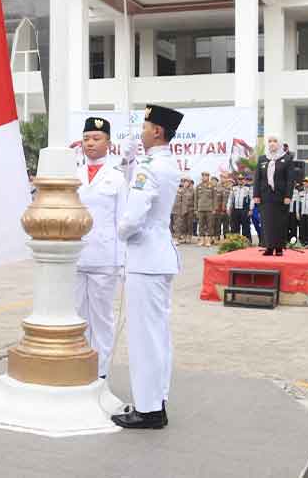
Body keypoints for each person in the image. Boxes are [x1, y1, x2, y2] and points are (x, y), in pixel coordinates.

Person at [111, 104, 184, 430]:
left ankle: (149, 409)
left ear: (157, 131)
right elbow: (135, 186)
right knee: (157, 336)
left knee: (145, 339)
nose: (141, 130)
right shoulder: (163, 163)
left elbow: (134, 213)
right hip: (159, 256)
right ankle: (156, 400)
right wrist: (128, 159)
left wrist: (120, 231)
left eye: (144, 125)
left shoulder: (151, 166)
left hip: (145, 257)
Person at [74, 116, 131, 378]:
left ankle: (101, 372)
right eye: (86, 138)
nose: (90, 143)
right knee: (77, 317)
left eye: (96, 138)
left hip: (105, 258)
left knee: (102, 319)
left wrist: (122, 261)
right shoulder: (72, 173)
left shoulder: (117, 176)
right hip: (75, 256)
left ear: (108, 143)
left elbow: (122, 220)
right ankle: (80, 366)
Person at [252, 134, 293, 256]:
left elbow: (290, 179)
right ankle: (269, 247)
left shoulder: (287, 159)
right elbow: (257, 179)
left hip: (281, 197)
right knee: (266, 221)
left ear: (279, 143)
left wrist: (288, 196)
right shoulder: (262, 159)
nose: (272, 143)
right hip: (265, 196)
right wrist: (256, 195)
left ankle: (279, 247)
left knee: (280, 222)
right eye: (270, 141)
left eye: (275, 141)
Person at [227, 173, 253, 243]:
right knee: (234, 226)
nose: (240, 181)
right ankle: (235, 242)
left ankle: (247, 242)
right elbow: (230, 198)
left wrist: (251, 209)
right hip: (235, 209)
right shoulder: (234, 187)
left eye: (242, 179)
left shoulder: (249, 187)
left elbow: (252, 199)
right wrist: (228, 207)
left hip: (245, 209)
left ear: (244, 180)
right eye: (239, 179)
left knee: (246, 227)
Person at [193, 172, 214, 247]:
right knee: (201, 224)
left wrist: (214, 208)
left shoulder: (211, 186)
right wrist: (195, 209)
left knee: (209, 225)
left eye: (206, 176)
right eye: (203, 176)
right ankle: (201, 240)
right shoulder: (198, 186)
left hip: (209, 208)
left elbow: (214, 198)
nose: (204, 177)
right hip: (200, 208)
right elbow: (195, 199)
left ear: (208, 177)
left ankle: (208, 240)